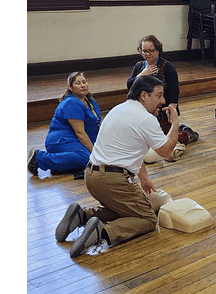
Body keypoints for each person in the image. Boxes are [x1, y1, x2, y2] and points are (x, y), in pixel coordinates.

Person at [54, 75, 180, 258]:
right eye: (159, 95)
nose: (163, 101)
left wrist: (144, 179)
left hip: (91, 176)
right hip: (112, 180)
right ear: (144, 95)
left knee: (126, 209)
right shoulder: (147, 119)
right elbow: (167, 151)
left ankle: (83, 216)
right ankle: (103, 232)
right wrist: (175, 123)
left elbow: (132, 151)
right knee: (147, 218)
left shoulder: (119, 109)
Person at [127, 34, 198, 147]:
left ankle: (186, 132)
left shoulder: (167, 66)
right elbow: (129, 85)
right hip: (145, 111)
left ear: (158, 50)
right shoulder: (139, 66)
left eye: (151, 51)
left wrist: (173, 107)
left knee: (163, 140)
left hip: (162, 110)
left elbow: (175, 88)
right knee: (144, 138)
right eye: (144, 51)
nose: (147, 54)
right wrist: (141, 75)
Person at [27, 72, 102, 179]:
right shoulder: (71, 103)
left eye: (84, 82)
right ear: (70, 87)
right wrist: (94, 152)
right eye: (78, 83)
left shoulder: (89, 100)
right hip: (62, 141)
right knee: (86, 158)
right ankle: (39, 158)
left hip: (77, 140)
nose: (83, 85)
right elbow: (80, 133)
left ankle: (59, 165)